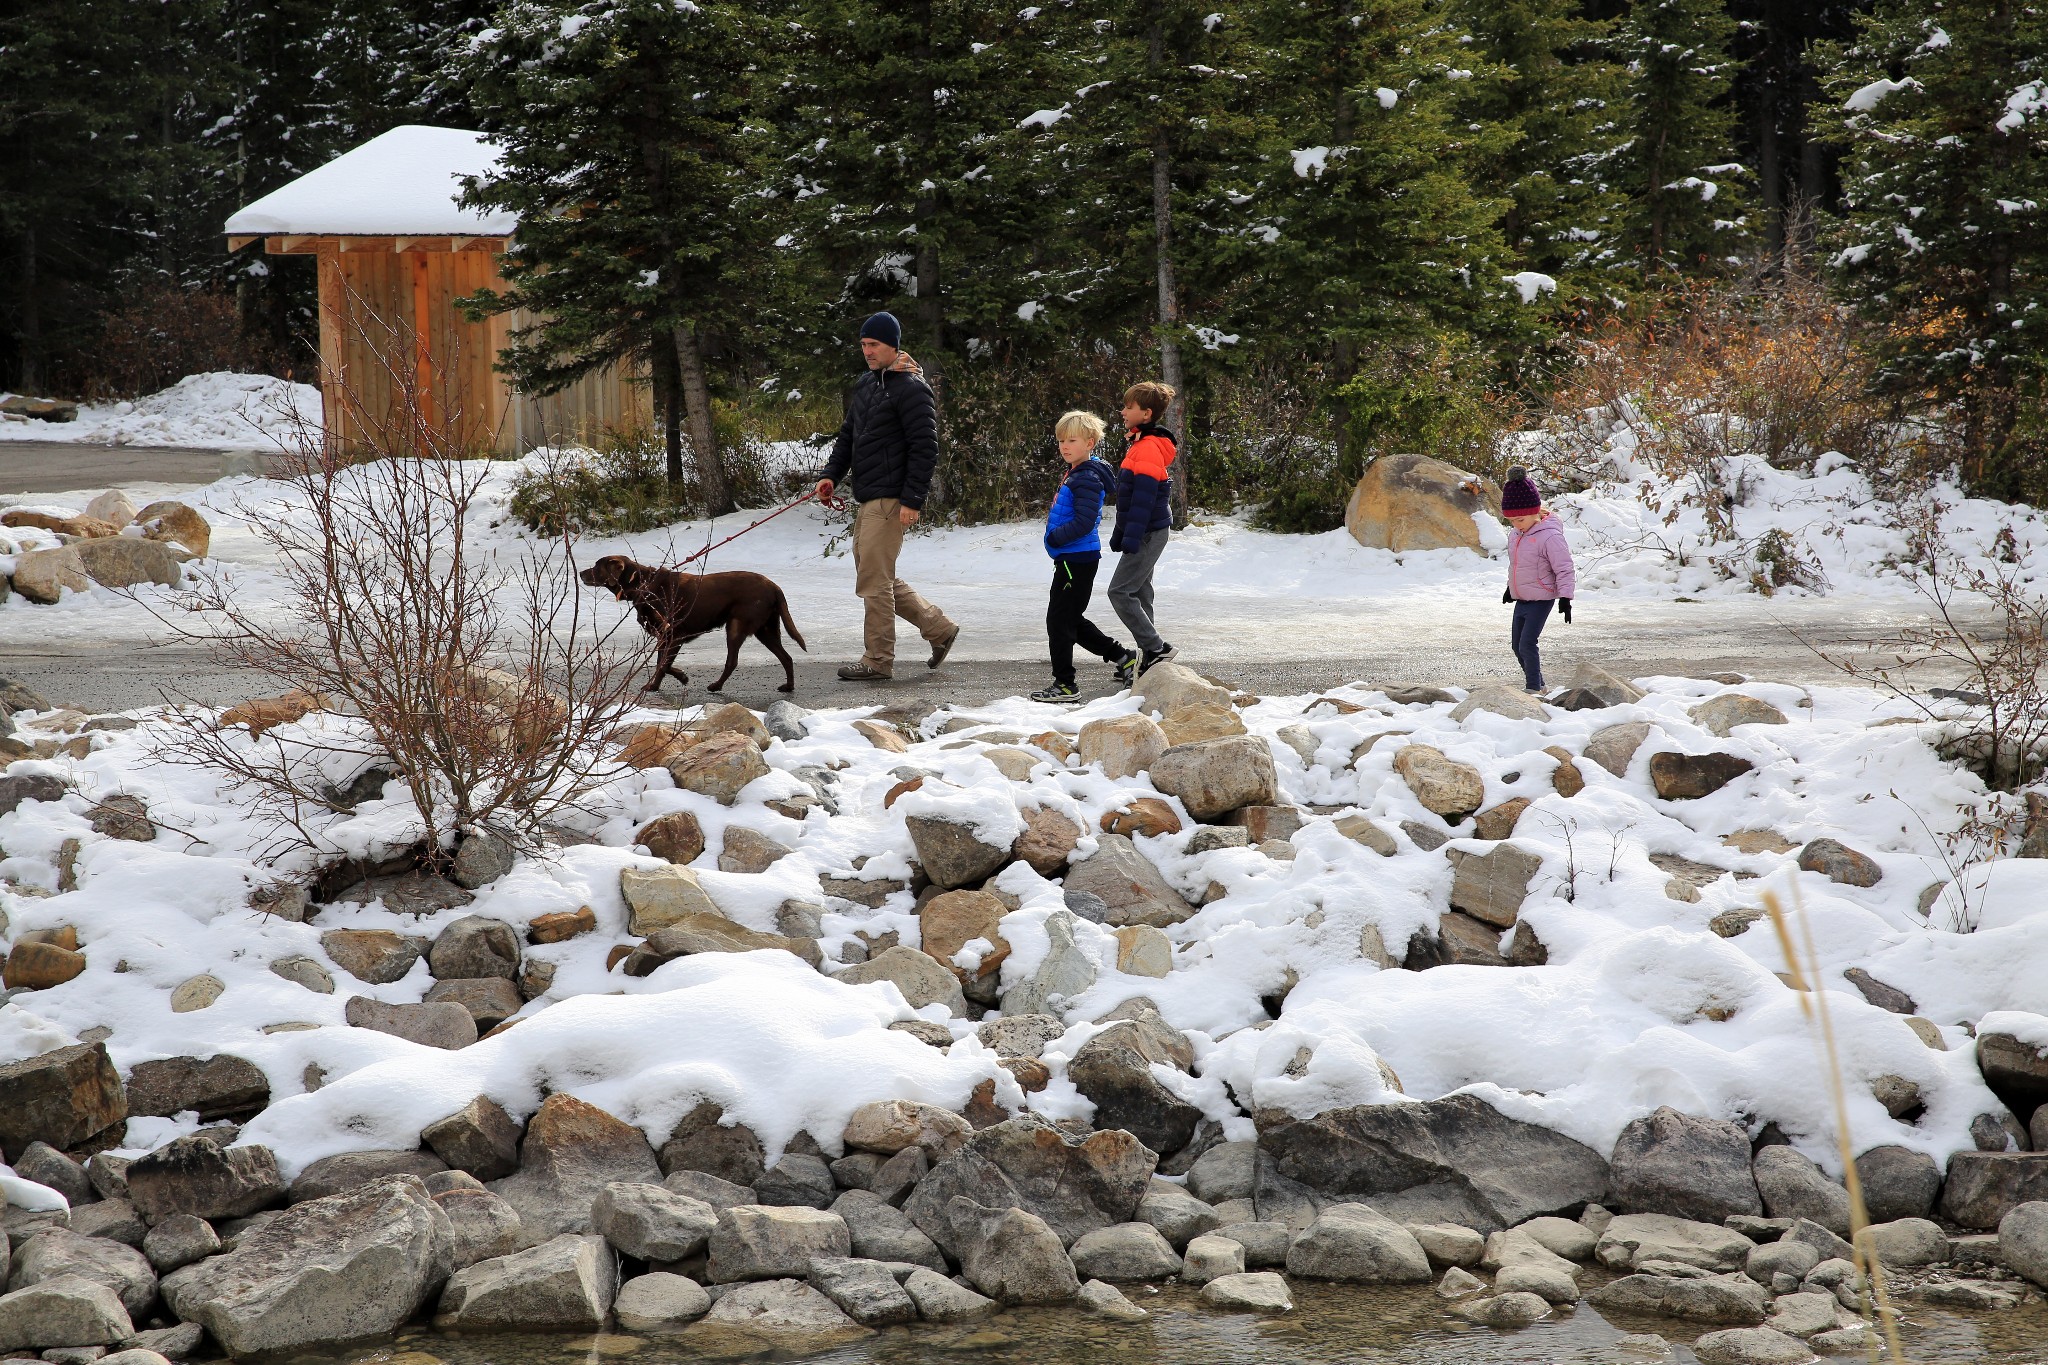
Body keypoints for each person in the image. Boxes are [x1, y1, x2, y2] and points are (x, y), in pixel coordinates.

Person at [814, 311, 960, 682]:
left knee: (874, 580)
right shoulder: (867, 384)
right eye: (863, 344)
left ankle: (878, 660)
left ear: (892, 344)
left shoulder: (911, 388)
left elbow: (925, 447)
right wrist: (831, 474)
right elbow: (848, 435)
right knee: (874, 572)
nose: (867, 351)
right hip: (869, 496)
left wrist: (913, 500)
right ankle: (939, 628)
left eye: (873, 344)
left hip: (892, 497)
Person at [1031, 411, 1136, 703]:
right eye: (1061, 440)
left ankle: (1065, 685)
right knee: (1068, 619)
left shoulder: (1086, 477)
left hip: (1076, 559)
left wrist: (1055, 537)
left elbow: (1086, 521)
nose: (1064, 446)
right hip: (1072, 558)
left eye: (1072, 440)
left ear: (1089, 442)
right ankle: (1123, 657)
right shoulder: (1078, 471)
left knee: (1059, 622)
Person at [1106, 380, 1178, 676]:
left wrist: (1130, 536)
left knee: (1120, 592)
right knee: (1140, 591)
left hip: (1148, 530)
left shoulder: (1148, 448)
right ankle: (1149, 654)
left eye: (1129, 407)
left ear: (1146, 414)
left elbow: (1144, 500)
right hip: (1148, 529)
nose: (1123, 411)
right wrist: (1122, 532)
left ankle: (1158, 648)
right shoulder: (1141, 444)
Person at [1500, 465, 1576, 693]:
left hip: (1542, 598)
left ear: (1535, 512)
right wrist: (1509, 588)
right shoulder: (1516, 534)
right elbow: (1518, 566)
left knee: (1527, 644)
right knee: (1516, 646)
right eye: (1511, 521)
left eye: (1520, 519)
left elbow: (1564, 568)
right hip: (1522, 598)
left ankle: (1533, 688)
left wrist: (1565, 597)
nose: (1515, 525)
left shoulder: (1550, 536)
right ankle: (1540, 684)